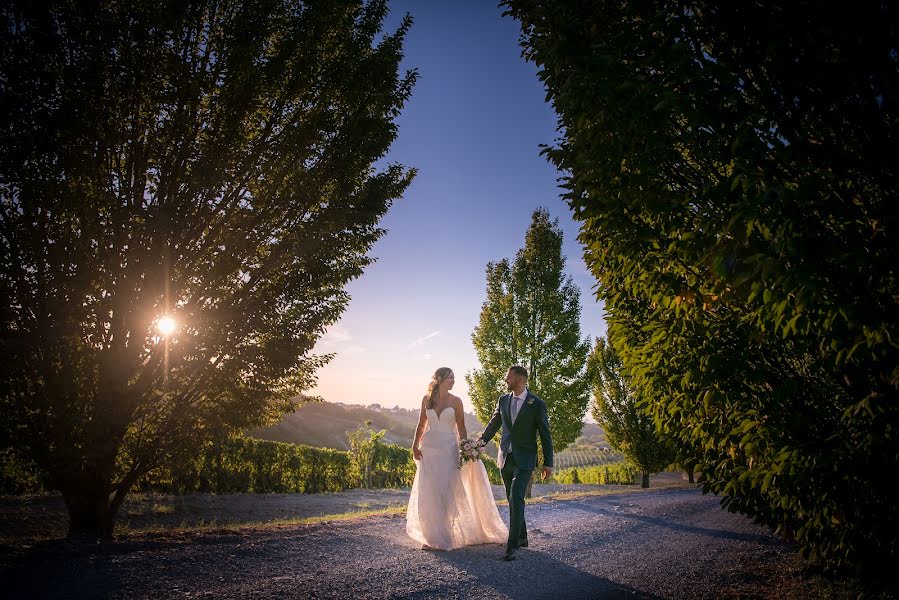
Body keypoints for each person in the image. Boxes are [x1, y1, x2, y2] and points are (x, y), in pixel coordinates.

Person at [406, 367, 508, 550]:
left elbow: (461, 428)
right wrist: (414, 445)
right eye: (450, 378)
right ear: (439, 379)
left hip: (448, 450)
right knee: (429, 491)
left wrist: (465, 449)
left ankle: (445, 534)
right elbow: (421, 425)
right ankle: (431, 536)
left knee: (446, 491)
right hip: (428, 449)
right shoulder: (426, 399)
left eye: (454, 378)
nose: (453, 381)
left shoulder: (457, 401)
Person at [479, 365, 554, 561]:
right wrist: (479, 443)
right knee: (511, 498)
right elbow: (494, 423)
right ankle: (522, 537)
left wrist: (548, 462)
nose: (506, 380)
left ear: (520, 379)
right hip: (506, 457)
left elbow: (545, 435)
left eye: (508, 377)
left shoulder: (537, 404)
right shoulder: (503, 399)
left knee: (516, 497)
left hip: (526, 459)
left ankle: (511, 546)